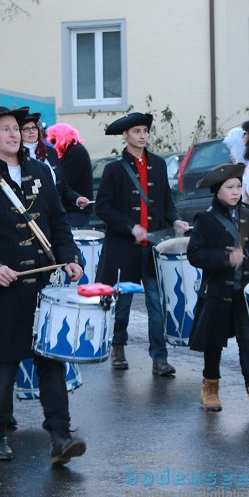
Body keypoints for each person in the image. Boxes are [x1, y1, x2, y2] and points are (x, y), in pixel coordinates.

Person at [0, 106, 86, 465]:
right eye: (5, 129)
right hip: (2, 289)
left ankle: (60, 435)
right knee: (5, 366)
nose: (13, 134)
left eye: (16, 128)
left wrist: (72, 257)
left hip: (44, 286)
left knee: (52, 363)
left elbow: (58, 222)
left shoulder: (41, 172)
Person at [95, 111, 189, 376]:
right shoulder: (114, 169)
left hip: (153, 247)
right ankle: (119, 346)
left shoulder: (158, 165)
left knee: (155, 303)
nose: (142, 136)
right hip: (124, 248)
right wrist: (129, 226)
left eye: (145, 131)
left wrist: (176, 221)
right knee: (123, 302)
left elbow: (166, 202)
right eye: (137, 131)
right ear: (126, 135)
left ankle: (159, 357)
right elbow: (102, 208)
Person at [188, 163, 249, 415]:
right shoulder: (205, 220)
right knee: (214, 342)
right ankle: (210, 389)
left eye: (238, 186)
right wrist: (225, 259)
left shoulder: (248, 215)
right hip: (218, 290)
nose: (235, 191)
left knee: (248, 342)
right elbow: (195, 254)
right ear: (217, 191)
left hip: (244, 291)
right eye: (229, 187)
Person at [46, 123, 93, 228]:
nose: (52, 144)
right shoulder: (73, 150)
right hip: (74, 207)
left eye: (53, 140)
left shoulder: (75, 152)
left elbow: (65, 180)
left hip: (75, 209)